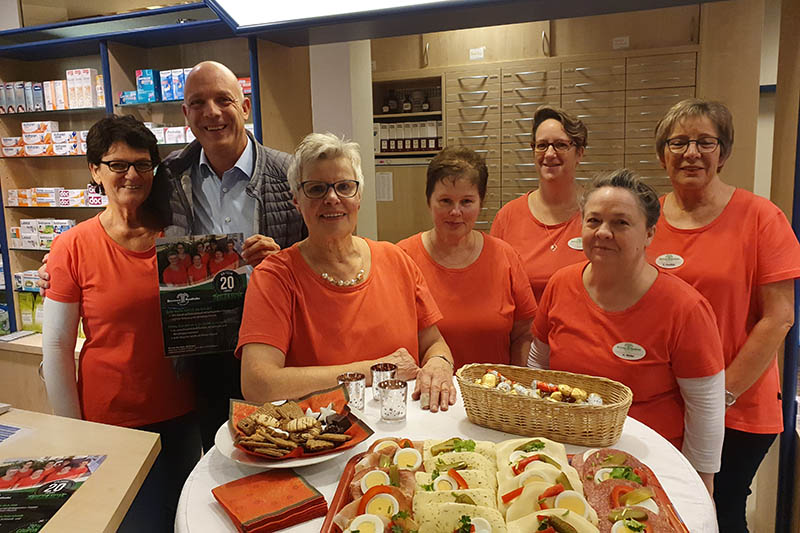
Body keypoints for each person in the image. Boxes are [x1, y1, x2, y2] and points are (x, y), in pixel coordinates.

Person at [37, 60, 307, 451]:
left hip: (276, 355)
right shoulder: (170, 175)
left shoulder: (289, 173)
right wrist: (63, 261)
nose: (211, 113)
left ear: (245, 106)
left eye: (223, 100)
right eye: (198, 102)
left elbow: (319, 255)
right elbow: (122, 213)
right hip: (201, 363)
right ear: (185, 114)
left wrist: (283, 263)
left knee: (289, 457)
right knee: (216, 471)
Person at [41, 115, 201, 532]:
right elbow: (57, 346)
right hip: (110, 422)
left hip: (180, 414)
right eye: (117, 164)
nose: (132, 174)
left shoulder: (178, 240)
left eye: (143, 164)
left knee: (183, 518)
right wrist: (71, 431)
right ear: (95, 170)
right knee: (134, 524)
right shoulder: (72, 246)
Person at [646, 98, 800, 532]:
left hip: (738, 405)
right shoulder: (647, 219)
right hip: (664, 405)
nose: (691, 152)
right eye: (678, 142)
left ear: (724, 152)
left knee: (721, 511)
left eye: (705, 142)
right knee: (658, 511)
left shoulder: (760, 218)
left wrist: (717, 398)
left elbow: (779, 318)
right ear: (663, 155)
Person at [529, 170, 726, 494]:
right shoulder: (561, 284)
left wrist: (700, 489)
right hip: (565, 462)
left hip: (650, 471)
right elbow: (538, 365)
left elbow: (705, 409)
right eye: (593, 221)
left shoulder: (684, 308)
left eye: (621, 223)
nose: (603, 232)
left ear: (649, 233)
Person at [237, 133, 457, 412]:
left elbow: (434, 343)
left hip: (405, 434)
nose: (332, 198)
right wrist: (376, 370)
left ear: (359, 197)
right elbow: (259, 384)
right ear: (296, 201)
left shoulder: (396, 260)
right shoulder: (274, 277)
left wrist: (439, 363)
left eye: (344, 186)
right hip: (322, 442)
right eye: (316, 189)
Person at [397, 147, 537, 367]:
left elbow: (524, 334)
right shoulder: (402, 258)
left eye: (466, 202)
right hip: (427, 396)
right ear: (428, 201)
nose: (455, 212)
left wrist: (514, 389)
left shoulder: (505, 257)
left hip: (492, 393)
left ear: (481, 203)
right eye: (445, 201)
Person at [490, 106, 587, 300]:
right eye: (542, 145)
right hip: (525, 330)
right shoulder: (508, 217)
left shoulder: (596, 215)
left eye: (560, 145)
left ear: (579, 153)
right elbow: (495, 289)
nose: (550, 154)